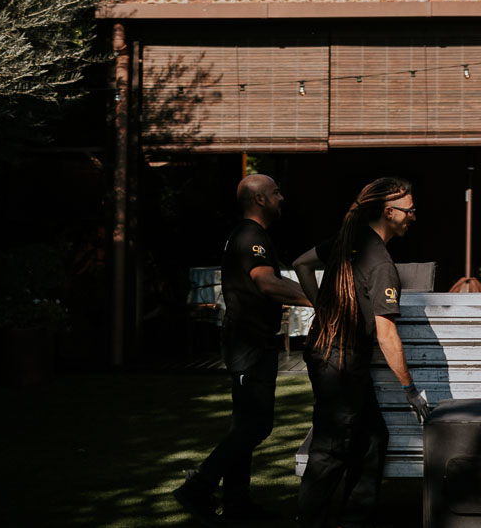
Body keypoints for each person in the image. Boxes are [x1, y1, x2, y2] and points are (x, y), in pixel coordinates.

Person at [173, 174, 312, 526]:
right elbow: (266, 283)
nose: (282, 197)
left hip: (251, 342)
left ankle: (237, 503)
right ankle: (198, 486)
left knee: (244, 425)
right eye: (276, 192)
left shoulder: (252, 236)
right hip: (248, 344)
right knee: (256, 426)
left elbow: (274, 280)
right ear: (260, 199)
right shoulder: (251, 236)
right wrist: (317, 301)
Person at [297, 177, 430, 528]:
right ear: (389, 212)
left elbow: (301, 264)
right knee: (330, 450)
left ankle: (354, 519)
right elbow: (386, 334)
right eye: (410, 210)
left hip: (326, 355)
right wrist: (410, 389)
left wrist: (321, 306)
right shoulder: (382, 263)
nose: (413, 216)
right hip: (339, 363)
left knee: (372, 439)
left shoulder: (347, 241)